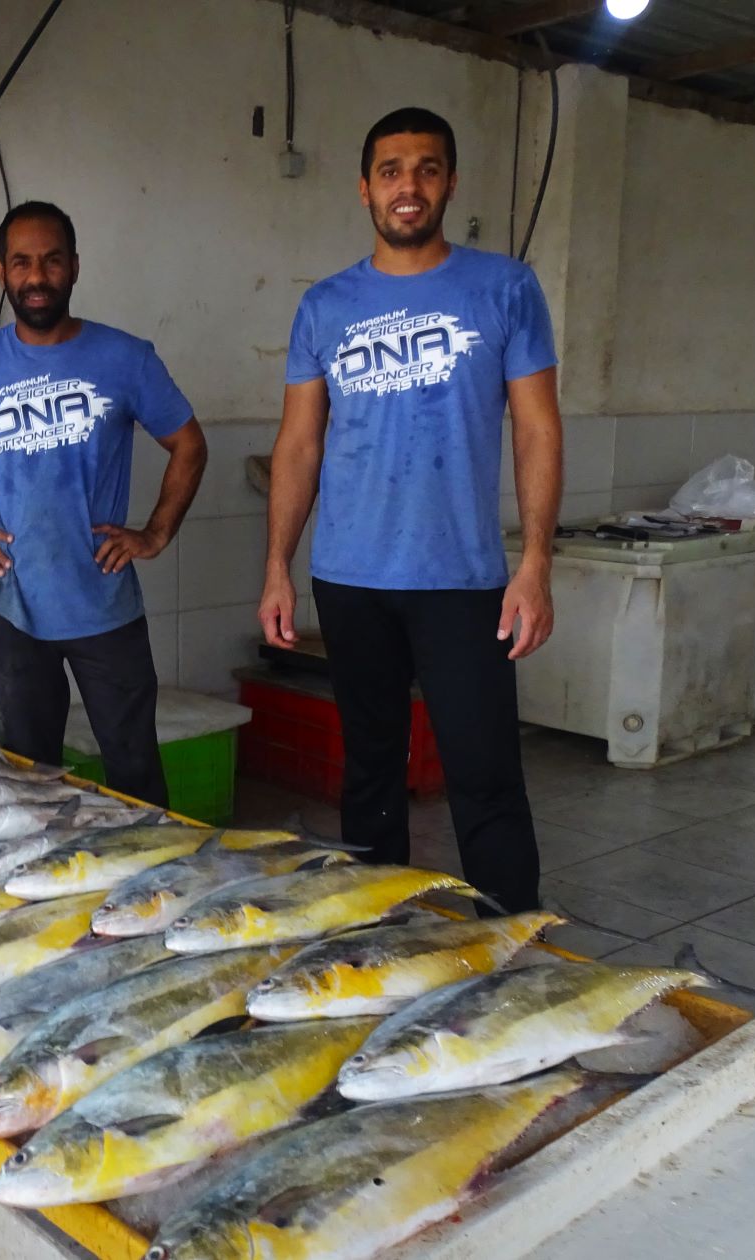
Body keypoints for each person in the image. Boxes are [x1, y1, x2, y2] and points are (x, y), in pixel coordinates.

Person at [258, 108, 562, 914]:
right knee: (371, 773)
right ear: (365, 189)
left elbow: (537, 427)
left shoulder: (505, 288)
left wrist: (535, 563)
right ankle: (378, 932)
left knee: (485, 773)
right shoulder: (324, 306)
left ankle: (510, 946)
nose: (409, 185)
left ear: (450, 183)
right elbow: (298, 447)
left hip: (463, 579)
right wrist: (276, 569)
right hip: (351, 577)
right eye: (391, 170)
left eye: (427, 168)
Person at [0, 201, 207, 806]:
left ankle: (148, 889)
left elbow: (189, 445)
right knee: (28, 775)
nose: (37, 277)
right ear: (2, 272)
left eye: (51, 261)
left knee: (134, 772)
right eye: (22, 262)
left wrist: (154, 533)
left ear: (74, 267)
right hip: (15, 606)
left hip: (104, 602)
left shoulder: (127, 358)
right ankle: (47, 886)